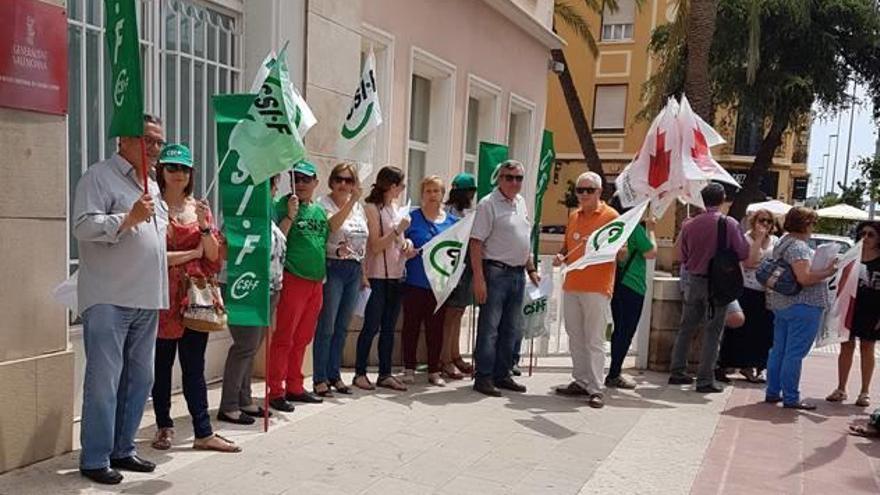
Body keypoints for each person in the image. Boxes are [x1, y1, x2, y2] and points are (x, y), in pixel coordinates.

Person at [73, 115, 169, 484]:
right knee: (104, 380)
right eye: (148, 140)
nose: (155, 148)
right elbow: (82, 226)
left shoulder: (153, 185)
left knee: (139, 380)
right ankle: (95, 457)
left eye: (158, 142)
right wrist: (126, 218)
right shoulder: (98, 177)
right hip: (109, 296)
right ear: (123, 141)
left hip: (146, 298)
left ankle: (123, 449)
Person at [149, 144, 238, 452]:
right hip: (161, 297)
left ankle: (203, 430)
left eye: (184, 169)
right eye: (172, 167)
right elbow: (153, 257)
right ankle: (164, 426)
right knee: (161, 367)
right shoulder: (153, 206)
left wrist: (202, 228)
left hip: (195, 297)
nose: (179, 174)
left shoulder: (200, 208)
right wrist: (191, 253)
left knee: (194, 366)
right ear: (161, 170)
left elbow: (214, 257)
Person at [669, 183, 750, 393]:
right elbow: (742, 252)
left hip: (695, 280)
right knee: (713, 332)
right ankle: (705, 379)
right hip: (718, 284)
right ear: (722, 199)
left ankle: (677, 371)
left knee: (686, 328)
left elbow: (682, 256)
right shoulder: (728, 223)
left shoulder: (690, 225)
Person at [218, 174, 286, 424]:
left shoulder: (270, 217)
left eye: (272, 185)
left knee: (252, 348)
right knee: (244, 345)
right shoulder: (240, 214)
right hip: (245, 287)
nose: (269, 191)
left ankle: (244, 399)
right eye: (264, 185)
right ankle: (229, 404)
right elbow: (225, 250)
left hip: (269, 290)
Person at [470, 160, 540, 397]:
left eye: (518, 178)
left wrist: (531, 269)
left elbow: (524, 239)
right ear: (499, 179)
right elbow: (476, 243)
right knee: (489, 328)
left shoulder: (521, 203)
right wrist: (479, 279)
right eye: (509, 177)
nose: (514, 182)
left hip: (518, 273)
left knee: (511, 328)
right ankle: (484, 376)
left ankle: (503, 374)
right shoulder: (487, 204)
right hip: (495, 272)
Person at [552, 172, 620, 408]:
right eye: (580, 190)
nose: (583, 195)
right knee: (575, 336)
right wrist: (561, 255)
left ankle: (596, 387)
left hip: (597, 286)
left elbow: (622, 252)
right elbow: (568, 245)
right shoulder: (574, 216)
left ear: (599, 192)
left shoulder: (611, 216)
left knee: (595, 339)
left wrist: (600, 244)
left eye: (589, 190)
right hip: (572, 283)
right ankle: (580, 380)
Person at [268, 161, 330, 412]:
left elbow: (322, 242)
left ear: (316, 182)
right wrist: (290, 216)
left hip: (316, 282)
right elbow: (276, 240)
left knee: (303, 337)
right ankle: (276, 390)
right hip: (293, 278)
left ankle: (295, 385)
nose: (301, 184)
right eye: (297, 179)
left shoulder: (318, 211)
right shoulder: (281, 205)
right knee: (284, 336)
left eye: (306, 179)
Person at [765, 206, 836, 410]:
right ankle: (790, 397)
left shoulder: (783, 243)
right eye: (812, 223)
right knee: (794, 353)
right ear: (805, 224)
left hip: (782, 304)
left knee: (779, 350)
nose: (813, 227)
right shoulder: (799, 247)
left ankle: (773, 391)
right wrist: (828, 271)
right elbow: (804, 277)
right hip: (803, 304)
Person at [353, 166, 415, 391]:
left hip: (397, 275)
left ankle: (385, 373)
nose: (403, 189)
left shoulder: (394, 207)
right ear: (391, 186)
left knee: (389, 328)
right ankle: (360, 372)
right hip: (377, 276)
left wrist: (407, 244)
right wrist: (399, 231)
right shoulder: (371, 208)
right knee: (371, 326)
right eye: (401, 184)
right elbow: (376, 245)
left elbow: (399, 240)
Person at [313, 163, 367, 397]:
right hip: (333, 266)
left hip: (353, 268)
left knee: (342, 327)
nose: (343, 184)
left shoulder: (359, 210)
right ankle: (320, 377)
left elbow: (362, 242)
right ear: (332, 181)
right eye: (339, 179)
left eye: (348, 180)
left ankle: (334, 373)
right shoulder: (322, 204)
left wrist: (363, 272)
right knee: (327, 326)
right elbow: (331, 226)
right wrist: (351, 202)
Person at [401, 176, 458, 386]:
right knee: (411, 327)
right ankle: (408, 368)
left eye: (436, 191)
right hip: (415, 282)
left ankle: (434, 370)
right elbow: (399, 240)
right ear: (422, 194)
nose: (432, 195)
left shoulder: (453, 222)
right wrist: (406, 244)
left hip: (439, 285)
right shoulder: (411, 218)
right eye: (428, 191)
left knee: (436, 329)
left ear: (443, 195)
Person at [716, 209, 778, 384]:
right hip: (745, 287)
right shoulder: (746, 238)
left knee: (764, 330)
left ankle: (759, 366)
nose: (765, 224)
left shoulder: (775, 241)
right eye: (761, 220)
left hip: (766, 291)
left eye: (768, 221)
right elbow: (750, 262)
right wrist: (758, 239)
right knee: (740, 329)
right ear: (754, 221)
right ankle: (735, 364)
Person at [604, 198, 657, 390]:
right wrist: (650, 229)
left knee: (619, 329)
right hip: (633, 285)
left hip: (616, 283)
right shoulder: (635, 228)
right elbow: (651, 252)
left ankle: (614, 370)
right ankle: (614, 373)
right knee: (626, 331)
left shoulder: (614, 227)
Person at [827, 221, 880, 407]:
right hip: (849, 306)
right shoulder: (852, 256)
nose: (865, 238)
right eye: (862, 233)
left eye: (870, 234)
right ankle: (841, 388)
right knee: (846, 347)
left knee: (867, 348)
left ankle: (865, 392)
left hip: (873, 310)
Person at [439, 173, 478, 379]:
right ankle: (445, 358)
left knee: (459, 313)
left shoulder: (466, 213)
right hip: (453, 267)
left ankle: (455, 354)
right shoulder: (448, 213)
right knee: (450, 315)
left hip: (467, 267)